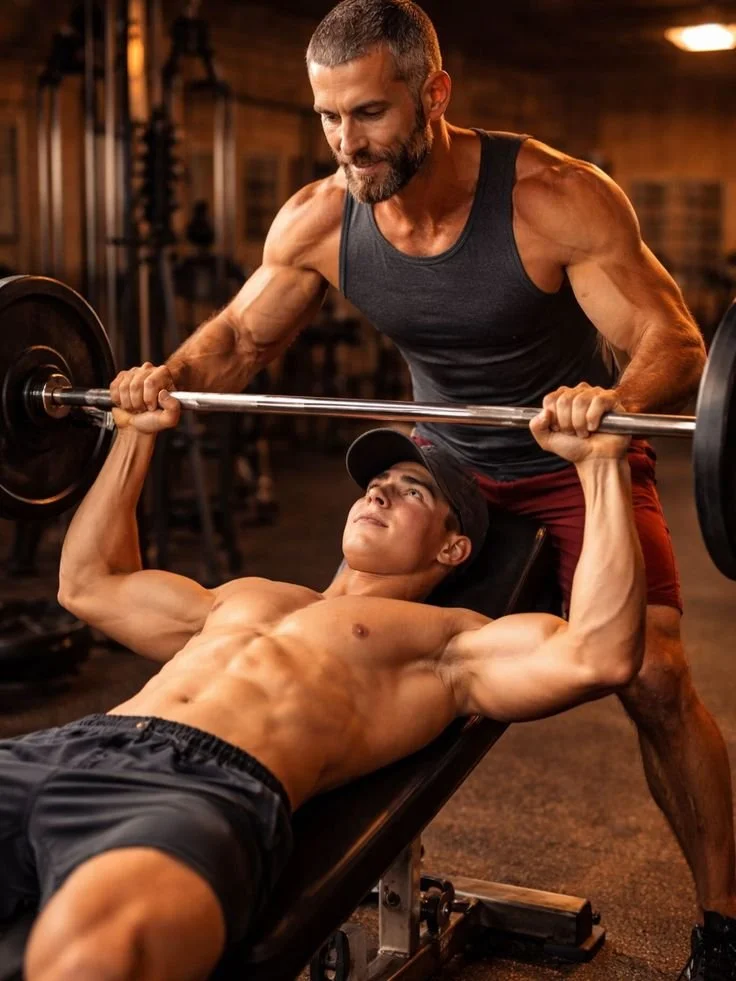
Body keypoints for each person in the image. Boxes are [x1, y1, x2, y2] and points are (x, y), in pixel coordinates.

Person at [109, 2, 734, 976]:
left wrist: (609, 403)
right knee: (332, 650)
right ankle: (274, 870)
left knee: (653, 676)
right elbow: (237, 341)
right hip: (438, 462)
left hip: (569, 457)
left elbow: (674, 340)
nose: (345, 144)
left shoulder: (551, 197)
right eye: (327, 119)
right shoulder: (321, 218)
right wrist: (160, 378)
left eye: (366, 115)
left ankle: (724, 919)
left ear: (432, 93)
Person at [1, 396, 640, 981]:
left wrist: (602, 465)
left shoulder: (447, 643)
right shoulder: (245, 596)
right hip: (70, 745)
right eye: (374, 485)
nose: (379, 495)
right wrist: (133, 434)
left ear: (453, 548)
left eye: (411, 490)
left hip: (198, 790)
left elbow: (598, 654)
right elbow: (88, 583)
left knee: (95, 954)